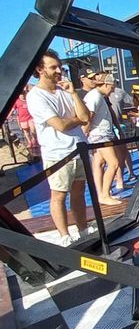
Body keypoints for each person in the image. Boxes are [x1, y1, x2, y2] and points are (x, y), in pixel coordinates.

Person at [26, 50, 91, 246]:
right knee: (59, 195)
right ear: (40, 69)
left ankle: (83, 229)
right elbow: (60, 125)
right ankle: (64, 236)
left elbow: (86, 116)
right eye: (53, 67)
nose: (58, 71)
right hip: (58, 154)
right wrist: (76, 119)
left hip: (78, 150)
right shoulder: (36, 96)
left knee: (79, 192)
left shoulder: (65, 91)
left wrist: (73, 93)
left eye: (59, 67)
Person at [83, 74, 122, 206]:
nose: (113, 90)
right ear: (105, 84)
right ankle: (105, 194)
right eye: (112, 87)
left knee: (99, 163)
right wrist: (84, 134)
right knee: (114, 163)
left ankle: (101, 194)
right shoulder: (94, 96)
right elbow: (88, 117)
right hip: (100, 136)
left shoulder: (99, 96)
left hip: (100, 134)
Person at [13, 84, 40, 159]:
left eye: (24, 94)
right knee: (26, 131)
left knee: (33, 129)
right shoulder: (17, 101)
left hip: (30, 117)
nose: (23, 96)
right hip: (22, 119)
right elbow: (13, 109)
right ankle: (29, 142)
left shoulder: (29, 99)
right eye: (21, 94)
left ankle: (35, 141)